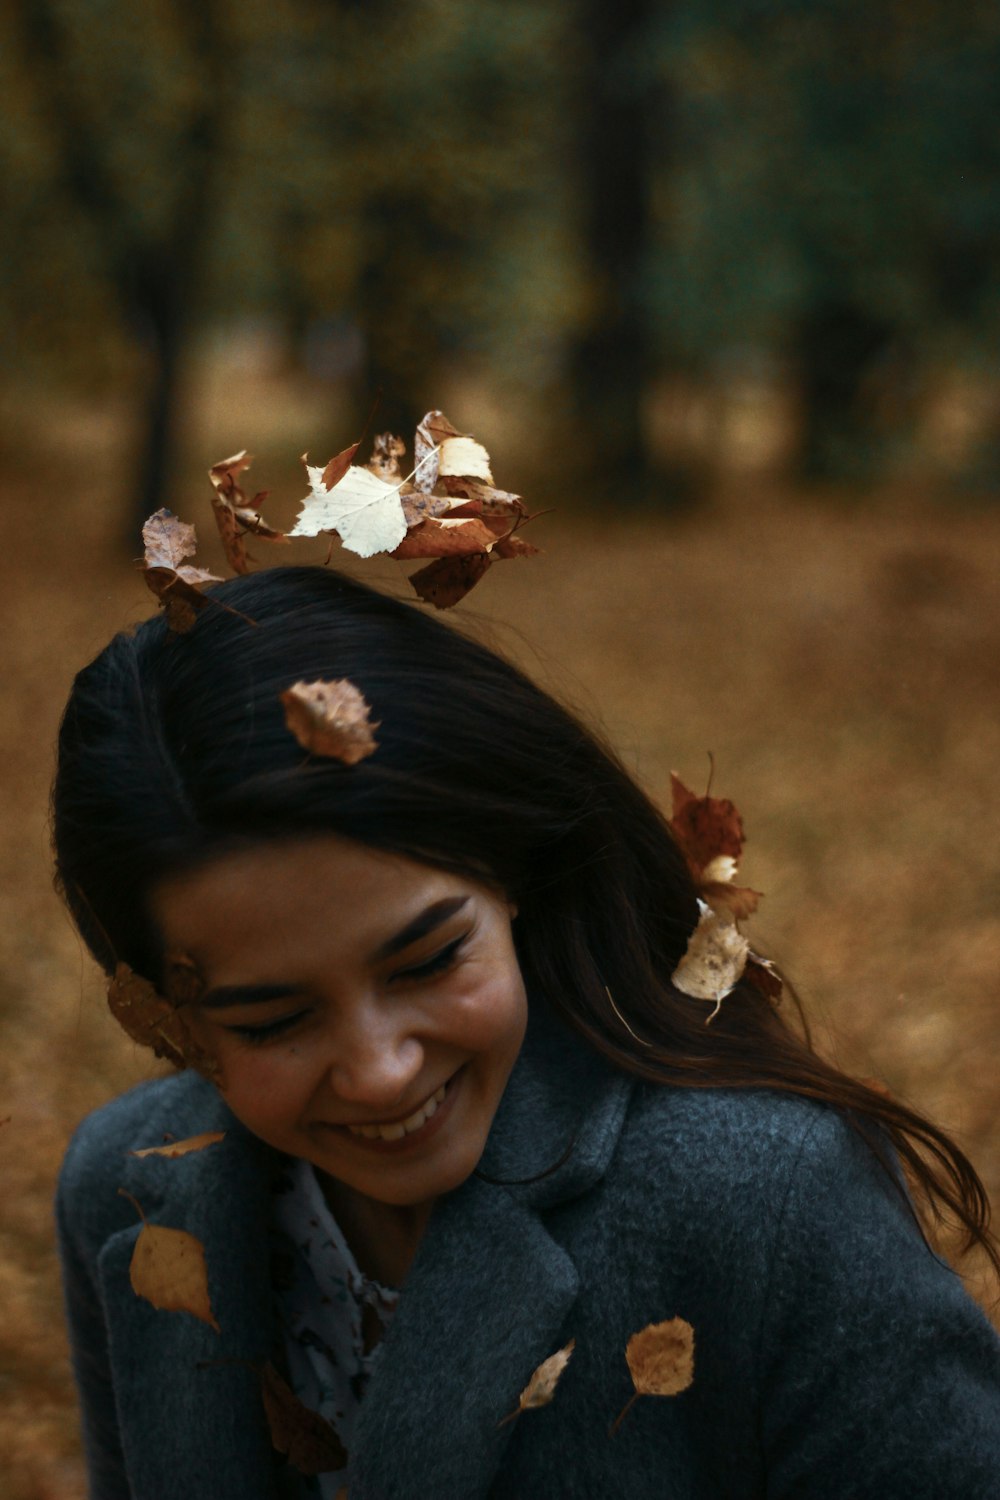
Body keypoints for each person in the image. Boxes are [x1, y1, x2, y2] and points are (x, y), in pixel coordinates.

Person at [53, 564, 1000, 1500]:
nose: (382, 1073)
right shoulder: (128, 1192)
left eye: (426, 963)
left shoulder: (769, 1201)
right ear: (169, 1019)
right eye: (276, 1020)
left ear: (514, 879)